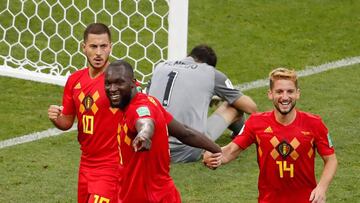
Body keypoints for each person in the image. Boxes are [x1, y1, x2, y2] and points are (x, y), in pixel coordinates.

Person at [203, 68, 338, 203]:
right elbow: (230, 151)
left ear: (297, 94)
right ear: (270, 94)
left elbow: (331, 160)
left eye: (290, 91)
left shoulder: (314, 123)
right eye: (279, 92)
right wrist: (213, 156)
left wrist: (321, 188)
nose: (285, 97)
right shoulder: (256, 123)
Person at [104, 60, 222, 203]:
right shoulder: (150, 102)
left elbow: (146, 123)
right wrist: (216, 149)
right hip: (152, 194)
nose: (112, 88)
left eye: (119, 83)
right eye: (108, 83)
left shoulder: (138, 109)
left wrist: (143, 135)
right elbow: (184, 132)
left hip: (149, 198)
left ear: (133, 83)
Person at [48, 23, 121, 203]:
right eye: (93, 46)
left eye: (103, 46)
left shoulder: (120, 81)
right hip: (86, 163)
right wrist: (56, 118)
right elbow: (67, 123)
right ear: (84, 48)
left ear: (110, 47)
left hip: (112, 165)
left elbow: (141, 112)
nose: (98, 53)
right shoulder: (74, 80)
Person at [148, 44, 257, 163]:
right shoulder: (211, 73)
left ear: (189, 56)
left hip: (151, 146)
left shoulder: (160, 67)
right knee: (234, 107)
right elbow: (251, 108)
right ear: (210, 66)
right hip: (185, 149)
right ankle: (240, 135)